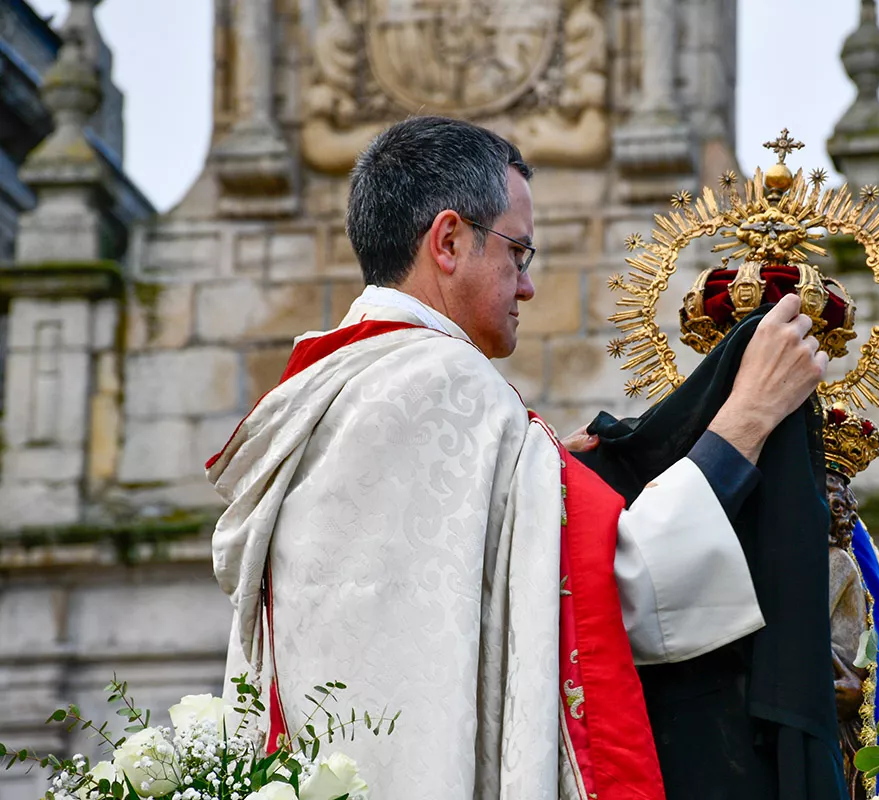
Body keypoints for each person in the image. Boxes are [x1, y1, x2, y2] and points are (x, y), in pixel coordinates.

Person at [206, 115, 829, 799]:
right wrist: (748, 417)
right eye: (518, 253)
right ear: (448, 240)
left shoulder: (331, 387)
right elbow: (618, 594)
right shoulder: (444, 385)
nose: (527, 286)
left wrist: (546, 477)